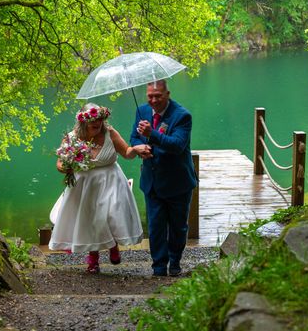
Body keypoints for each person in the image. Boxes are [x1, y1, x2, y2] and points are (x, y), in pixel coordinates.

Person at [49, 103, 151, 274]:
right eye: (93, 120)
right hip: (85, 184)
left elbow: (126, 152)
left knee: (111, 213)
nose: (97, 123)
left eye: (100, 119)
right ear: (83, 121)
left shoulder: (110, 133)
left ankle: (113, 246)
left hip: (111, 180)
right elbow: (59, 163)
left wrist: (136, 149)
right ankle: (93, 259)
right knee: (90, 219)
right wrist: (64, 167)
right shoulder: (72, 138)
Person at [130, 79, 197, 277]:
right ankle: (158, 266)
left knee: (178, 226)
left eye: (158, 96)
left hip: (178, 181)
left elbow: (177, 145)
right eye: (150, 96)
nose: (153, 100)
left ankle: (175, 262)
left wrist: (151, 135)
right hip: (152, 180)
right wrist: (139, 148)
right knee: (156, 225)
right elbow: (134, 137)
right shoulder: (141, 111)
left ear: (168, 94)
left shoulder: (182, 116)